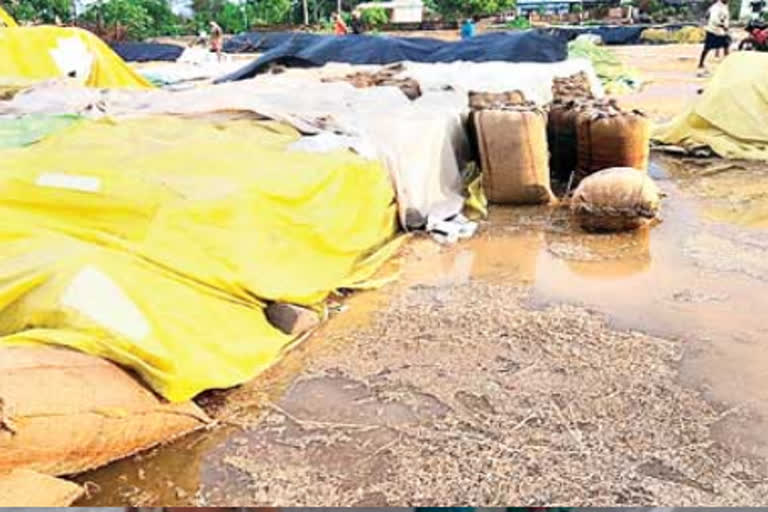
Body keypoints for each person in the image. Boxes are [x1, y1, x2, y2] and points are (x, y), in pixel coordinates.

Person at [698, 0, 730, 76]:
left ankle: (728, 64)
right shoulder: (715, 7)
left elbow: (726, 18)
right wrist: (723, 26)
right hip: (712, 30)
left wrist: (726, 26)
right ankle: (701, 63)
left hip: (721, 32)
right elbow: (714, 19)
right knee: (707, 48)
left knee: (726, 45)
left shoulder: (725, 6)